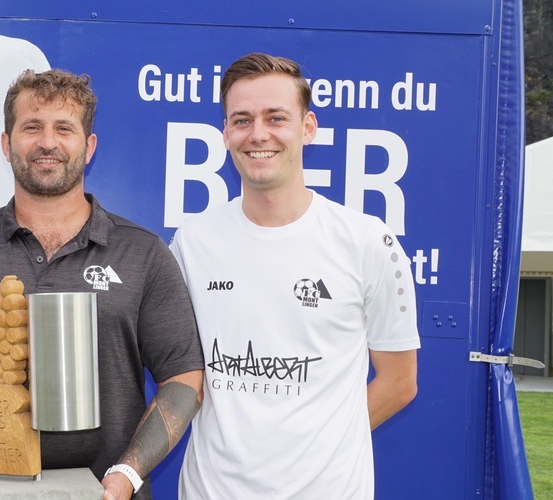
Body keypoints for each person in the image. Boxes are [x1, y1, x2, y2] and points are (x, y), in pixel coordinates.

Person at [0, 68, 204, 500]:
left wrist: (127, 474)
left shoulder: (143, 253)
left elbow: (184, 378)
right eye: (32, 127)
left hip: (108, 494)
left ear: (89, 147)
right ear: (6, 144)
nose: (48, 142)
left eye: (64, 129)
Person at [170, 52, 420, 499]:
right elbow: (181, 374)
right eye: (242, 120)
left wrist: (321, 448)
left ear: (308, 127)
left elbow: (399, 383)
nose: (258, 134)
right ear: (225, 132)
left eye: (276, 117)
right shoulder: (193, 241)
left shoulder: (367, 241)